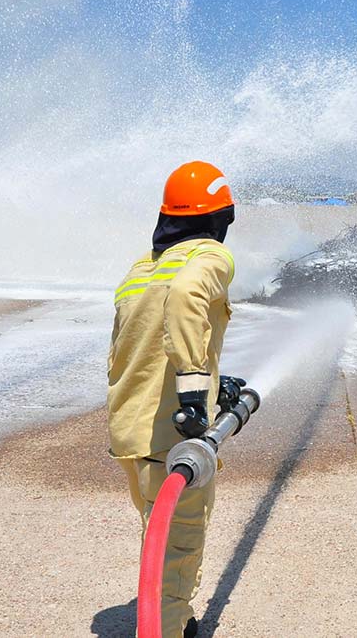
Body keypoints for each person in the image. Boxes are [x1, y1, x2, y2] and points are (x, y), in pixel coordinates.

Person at [107, 160, 238, 637]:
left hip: (131, 428)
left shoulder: (142, 268)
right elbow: (187, 299)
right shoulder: (209, 257)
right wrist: (192, 392)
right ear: (218, 217)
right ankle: (169, 626)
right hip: (172, 434)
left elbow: (131, 346)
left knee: (155, 532)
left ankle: (157, 611)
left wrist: (209, 382)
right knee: (180, 537)